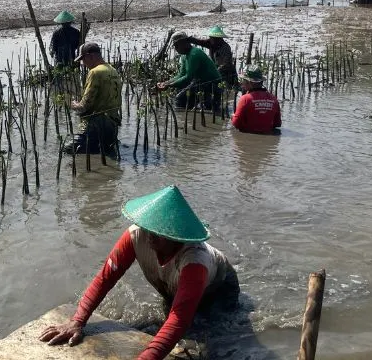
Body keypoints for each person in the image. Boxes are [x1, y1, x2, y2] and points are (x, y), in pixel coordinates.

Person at [39, 185, 240, 360]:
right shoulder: (138, 234)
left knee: (208, 332)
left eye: (158, 233)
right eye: (148, 228)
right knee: (169, 311)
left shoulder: (195, 261)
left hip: (219, 287)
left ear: (175, 237)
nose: (149, 236)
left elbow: (179, 319)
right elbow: (105, 278)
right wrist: (77, 321)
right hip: (176, 282)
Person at [63, 42, 122, 155]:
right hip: (112, 127)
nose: (83, 63)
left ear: (91, 56)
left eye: (83, 59)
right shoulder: (113, 70)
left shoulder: (95, 72)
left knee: (66, 150)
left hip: (96, 126)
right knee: (104, 152)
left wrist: (73, 104)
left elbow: (84, 106)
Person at [157, 31, 222, 110]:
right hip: (200, 83)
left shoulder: (194, 54)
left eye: (177, 45)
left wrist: (169, 85)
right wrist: (166, 83)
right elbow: (181, 75)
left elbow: (188, 77)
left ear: (185, 42)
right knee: (182, 95)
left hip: (211, 85)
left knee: (179, 99)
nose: (176, 48)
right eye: (175, 46)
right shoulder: (185, 56)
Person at [231, 65, 281, 134]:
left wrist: (233, 117)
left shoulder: (245, 99)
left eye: (243, 80)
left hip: (248, 137)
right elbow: (277, 124)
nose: (242, 83)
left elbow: (236, 123)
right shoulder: (273, 99)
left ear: (249, 82)